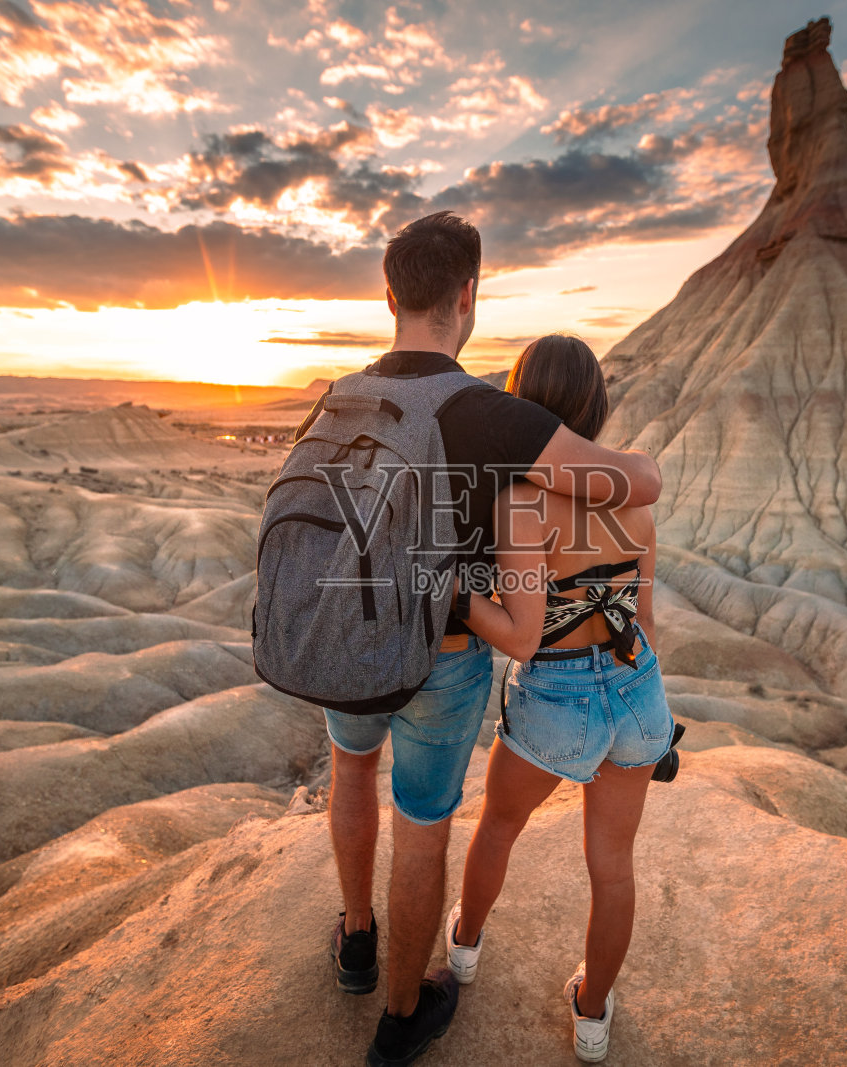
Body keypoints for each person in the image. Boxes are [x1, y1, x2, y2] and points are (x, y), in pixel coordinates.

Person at [319, 213, 662, 1067]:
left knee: (373, 777)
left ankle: (376, 940)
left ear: (389, 293)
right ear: (467, 296)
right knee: (442, 825)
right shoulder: (496, 420)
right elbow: (638, 572)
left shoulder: (340, 397)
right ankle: (428, 1014)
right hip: (576, 678)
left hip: (351, 641)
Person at [444, 334, 674, 1064]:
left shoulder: (523, 501)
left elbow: (518, 637)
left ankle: (464, 947)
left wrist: (458, 593)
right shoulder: (631, 498)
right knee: (613, 866)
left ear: (522, 403)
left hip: (558, 696)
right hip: (639, 689)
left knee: (498, 826)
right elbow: (645, 614)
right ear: (596, 405)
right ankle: (592, 1013)